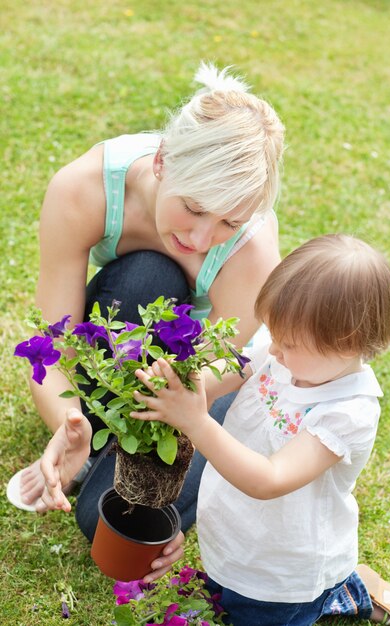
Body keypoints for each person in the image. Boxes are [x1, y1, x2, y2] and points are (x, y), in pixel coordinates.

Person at [14, 61, 284, 565]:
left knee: (104, 520)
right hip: (129, 326)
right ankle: (95, 443)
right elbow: (53, 346)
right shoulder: (84, 189)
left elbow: (222, 369)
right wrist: (69, 423)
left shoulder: (252, 253)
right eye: (195, 206)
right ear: (162, 160)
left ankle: (111, 458)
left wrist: (180, 423)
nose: (202, 239)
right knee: (146, 275)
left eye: (229, 220)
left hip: (203, 382)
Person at [126, 234, 390, 626]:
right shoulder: (286, 352)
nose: (275, 351)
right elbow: (232, 369)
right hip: (238, 534)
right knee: (227, 591)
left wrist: (196, 421)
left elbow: (269, 480)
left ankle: (341, 591)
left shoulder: (347, 411)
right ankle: (341, 588)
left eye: (289, 344)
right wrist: (184, 385)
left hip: (285, 570)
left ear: (347, 344)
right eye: (274, 334)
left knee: (258, 612)